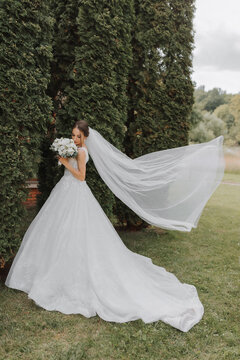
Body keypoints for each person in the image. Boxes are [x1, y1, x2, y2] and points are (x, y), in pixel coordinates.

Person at [5, 119, 225, 332]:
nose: (75, 139)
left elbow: (81, 177)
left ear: (86, 137)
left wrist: (64, 162)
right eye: (73, 135)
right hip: (63, 192)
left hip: (75, 192)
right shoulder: (74, 148)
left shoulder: (82, 152)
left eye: (78, 136)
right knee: (56, 232)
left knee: (74, 234)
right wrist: (64, 155)